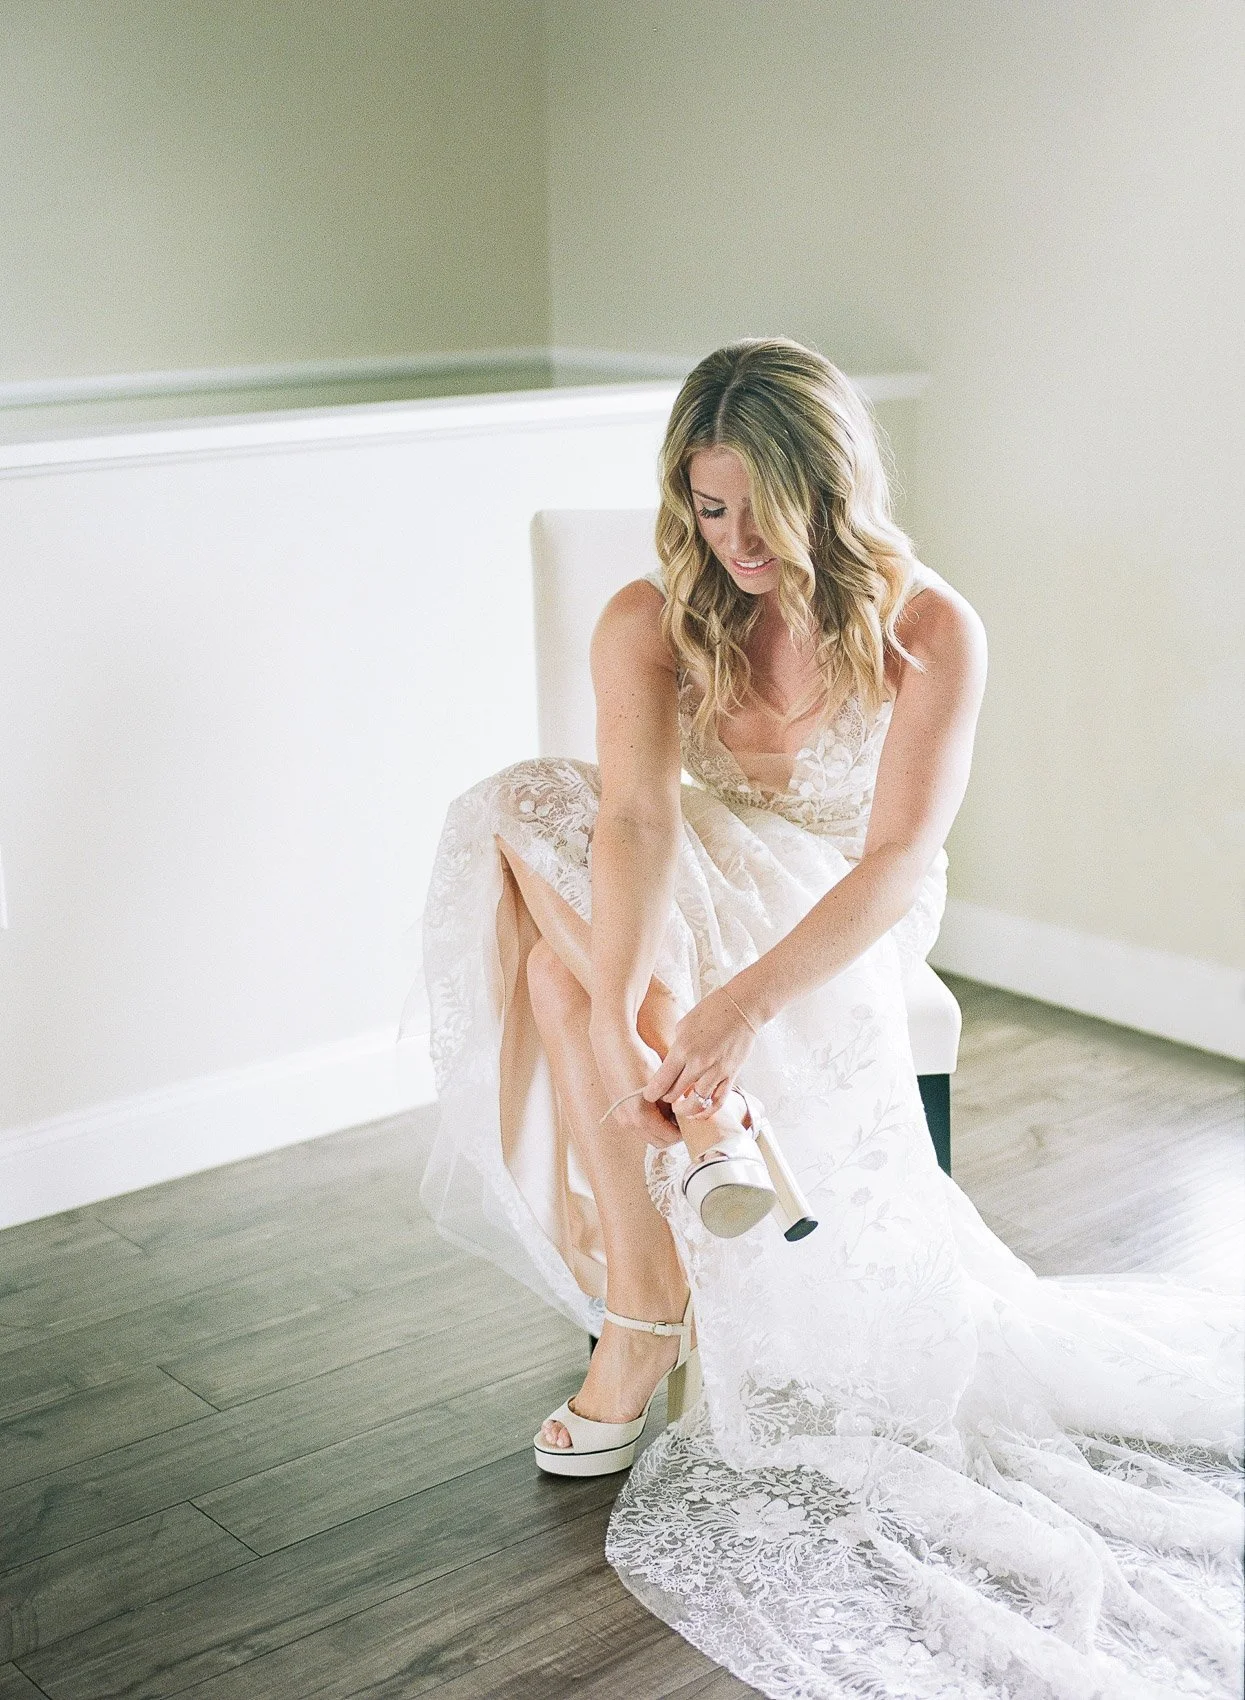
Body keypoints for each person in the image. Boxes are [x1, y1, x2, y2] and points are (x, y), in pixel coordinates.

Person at [414, 340, 1242, 1699]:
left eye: (760, 506)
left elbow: (893, 867)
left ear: (831, 487)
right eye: (707, 504)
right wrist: (633, 1010)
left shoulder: (932, 630)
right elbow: (633, 817)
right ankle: (664, 1247)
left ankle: (643, 1316)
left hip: (837, 903)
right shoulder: (650, 612)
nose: (730, 540)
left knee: (555, 942)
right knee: (538, 864)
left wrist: (735, 1012)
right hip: (686, 872)